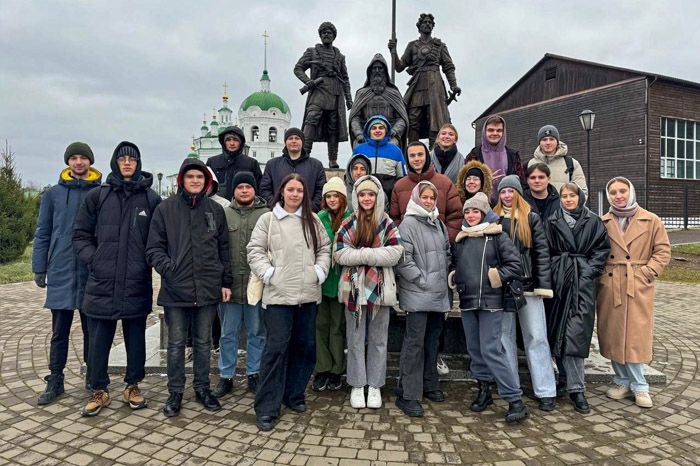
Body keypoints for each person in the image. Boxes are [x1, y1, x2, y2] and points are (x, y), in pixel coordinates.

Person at [73, 141, 161, 417]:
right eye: (122, 159)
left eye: (132, 159)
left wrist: (147, 261)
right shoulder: (98, 196)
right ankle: (99, 388)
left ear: (138, 163)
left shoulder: (150, 199)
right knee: (99, 338)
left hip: (136, 280)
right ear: (115, 162)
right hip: (103, 280)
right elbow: (80, 235)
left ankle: (132, 386)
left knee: (135, 337)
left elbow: (159, 238)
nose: (127, 163)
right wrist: (95, 259)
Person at [146, 159, 232, 417]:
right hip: (176, 289)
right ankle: (175, 392)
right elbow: (154, 248)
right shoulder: (165, 209)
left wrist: (225, 280)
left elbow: (223, 248)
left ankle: (202, 388)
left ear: (206, 182)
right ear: (182, 180)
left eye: (200, 177)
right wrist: (170, 269)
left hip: (207, 288)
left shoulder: (214, 210)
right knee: (176, 344)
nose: (195, 181)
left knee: (204, 342)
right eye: (190, 176)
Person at [248, 173, 331, 431]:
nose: (295, 194)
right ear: (282, 191)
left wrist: (319, 272)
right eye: (291, 189)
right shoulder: (268, 219)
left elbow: (324, 249)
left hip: (307, 295)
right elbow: (254, 250)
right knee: (275, 351)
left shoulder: (313, 220)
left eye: (300, 190)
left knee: (305, 347)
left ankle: (294, 394)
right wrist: (269, 274)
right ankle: (267, 407)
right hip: (278, 297)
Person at [33, 142, 102, 405]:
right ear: (68, 162)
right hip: (61, 269)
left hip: (90, 269)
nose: (79, 162)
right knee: (59, 331)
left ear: (90, 162)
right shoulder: (53, 194)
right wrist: (40, 266)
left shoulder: (101, 192)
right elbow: (43, 231)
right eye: (74, 158)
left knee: (92, 330)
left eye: (83, 158)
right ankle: (55, 378)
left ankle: (93, 377)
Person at [449, 192, 527, 423]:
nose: (471, 215)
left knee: (491, 350)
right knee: (475, 350)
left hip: (491, 302)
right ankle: (484, 391)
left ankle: (515, 400)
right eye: (467, 211)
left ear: (484, 213)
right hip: (467, 301)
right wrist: (454, 276)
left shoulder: (497, 235)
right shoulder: (461, 239)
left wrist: (496, 277)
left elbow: (516, 265)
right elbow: (455, 263)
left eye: (476, 211)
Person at [597, 177, 670, 408]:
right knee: (613, 334)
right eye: (613, 192)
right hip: (611, 283)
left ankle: (640, 385)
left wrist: (647, 272)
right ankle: (621, 381)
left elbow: (662, 250)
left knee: (636, 335)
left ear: (631, 192)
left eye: (622, 191)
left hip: (637, 283)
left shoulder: (651, 219)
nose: (618, 196)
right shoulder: (603, 221)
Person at [334, 175, 403, 409]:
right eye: (362, 194)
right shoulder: (348, 222)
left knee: (379, 340)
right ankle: (357, 384)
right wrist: (372, 255)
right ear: (356, 197)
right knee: (354, 340)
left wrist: (361, 254)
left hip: (379, 290)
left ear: (378, 196)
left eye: (371, 194)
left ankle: (374, 385)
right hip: (352, 290)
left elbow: (395, 252)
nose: (366, 198)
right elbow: (339, 252)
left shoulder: (386, 222)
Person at [544, 183, 610, 414]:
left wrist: (588, 270)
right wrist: (555, 271)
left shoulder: (593, 221)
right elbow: (545, 250)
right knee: (558, 333)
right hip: (560, 280)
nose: (568, 199)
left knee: (576, 334)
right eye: (564, 196)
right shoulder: (552, 220)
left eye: (572, 195)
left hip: (582, 283)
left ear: (580, 197)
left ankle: (577, 388)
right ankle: (565, 379)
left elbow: (602, 249)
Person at [493, 175, 557, 412]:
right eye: (503, 192)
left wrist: (542, 285)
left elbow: (542, 254)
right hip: (503, 287)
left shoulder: (531, 218)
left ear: (518, 193)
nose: (507, 196)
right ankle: (511, 388)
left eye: (511, 191)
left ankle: (545, 389)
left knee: (536, 337)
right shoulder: (494, 219)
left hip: (528, 286)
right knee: (504, 338)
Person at [395, 181, 451, 417]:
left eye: (432, 198)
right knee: (414, 344)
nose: (428, 201)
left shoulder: (438, 223)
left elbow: (446, 252)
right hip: (419, 293)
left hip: (438, 294)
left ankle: (429, 383)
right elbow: (403, 259)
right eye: (425, 197)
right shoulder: (408, 224)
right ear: (417, 198)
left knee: (432, 341)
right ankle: (408, 393)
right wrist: (421, 280)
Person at [212, 171, 269, 399]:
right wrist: (220, 280)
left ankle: (254, 373)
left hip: (256, 286)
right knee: (228, 334)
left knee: (257, 332)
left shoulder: (266, 215)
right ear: (234, 191)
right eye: (240, 187)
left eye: (248, 187)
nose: (244, 191)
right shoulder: (223, 214)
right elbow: (216, 249)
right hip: (230, 285)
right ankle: (226, 375)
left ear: (255, 190)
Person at [388, 13, 461, 148]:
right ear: (419, 26)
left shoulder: (440, 45)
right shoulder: (412, 46)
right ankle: (412, 151)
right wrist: (393, 51)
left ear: (433, 26)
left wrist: (454, 85)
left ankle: (434, 152)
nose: (427, 24)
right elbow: (399, 67)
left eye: (429, 23)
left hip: (435, 85)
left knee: (434, 120)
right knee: (412, 119)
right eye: (424, 22)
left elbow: (448, 67)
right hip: (417, 84)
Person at [294, 21, 352, 168]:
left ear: (334, 36)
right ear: (320, 35)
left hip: (335, 93)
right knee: (311, 120)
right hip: (318, 91)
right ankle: (304, 154)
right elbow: (298, 68)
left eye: (329, 32)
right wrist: (308, 81)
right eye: (324, 32)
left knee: (333, 127)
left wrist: (349, 99)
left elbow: (345, 79)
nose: (326, 34)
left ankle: (333, 160)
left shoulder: (340, 56)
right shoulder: (312, 52)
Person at [312, 177, 351, 392]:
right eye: (329, 196)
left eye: (336, 196)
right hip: (322, 281)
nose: (332, 199)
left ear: (343, 198)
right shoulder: (319, 218)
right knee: (321, 326)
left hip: (342, 282)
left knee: (337, 327)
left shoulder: (349, 218)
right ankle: (322, 368)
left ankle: (337, 370)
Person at [390, 141, 462, 241]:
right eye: (412, 156)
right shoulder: (399, 186)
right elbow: (395, 218)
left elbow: (455, 216)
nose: (416, 159)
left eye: (420, 154)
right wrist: (404, 241)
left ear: (427, 156)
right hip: (410, 245)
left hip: (439, 245)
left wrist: (446, 241)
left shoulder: (445, 183)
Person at [349, 53, 408, 149]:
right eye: (374, 68)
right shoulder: (362, 93)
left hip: (389, 137)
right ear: (370, 71)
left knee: (392, 148)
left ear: (385, 70)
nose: (377, 71)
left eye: (380, 68)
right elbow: (355, 118)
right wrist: (359, 134)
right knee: (360, 148)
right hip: (366, 136)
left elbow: (401, 118)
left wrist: (394, 131)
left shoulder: (394, 93)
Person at [259, 127, 327, 211]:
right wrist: (277, 207)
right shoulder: (272, 165)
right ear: (285, 142)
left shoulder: (316, 165)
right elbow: (264, 189)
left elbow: (321, 190)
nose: (294, 141)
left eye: (297, 138)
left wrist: (309, 208)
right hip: (278, 214)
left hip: (307, 213)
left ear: (302, 142)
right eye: (290, 138)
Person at [466, 115, 526, 201]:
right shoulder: (474, 155)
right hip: (481, 203)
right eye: (491, 130)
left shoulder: (513, 155)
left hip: (508, 203)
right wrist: (485, 181)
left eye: (499, 130)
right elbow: (466, 182)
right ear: (484, 132)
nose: (495, 133)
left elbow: (521, 182)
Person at [353, 115, 406, 207]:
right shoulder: (359, 150)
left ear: (386, 131)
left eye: (381, 128)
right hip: (365, 198)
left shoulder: (395, 150)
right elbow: (351, 174)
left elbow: (402, 177)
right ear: (369, 131)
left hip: (389, 200)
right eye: (374, 128)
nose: (377, 130)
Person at [206, 125, 262, 202]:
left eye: (236, 140)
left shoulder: (251, 163)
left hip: (243, 205)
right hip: (218, 205)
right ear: (223, 142)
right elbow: (207, 186)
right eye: (228, 140)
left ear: (241, 143)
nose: (232, 143)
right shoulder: (213, 162)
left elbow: (259, 187)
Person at [529, 125, 588, 197]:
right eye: (544, 139)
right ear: (539, 142)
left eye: (551, 139)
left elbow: (582, 191)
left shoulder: (571, 163)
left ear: (557, 141)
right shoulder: (530, 164)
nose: (548, 142)